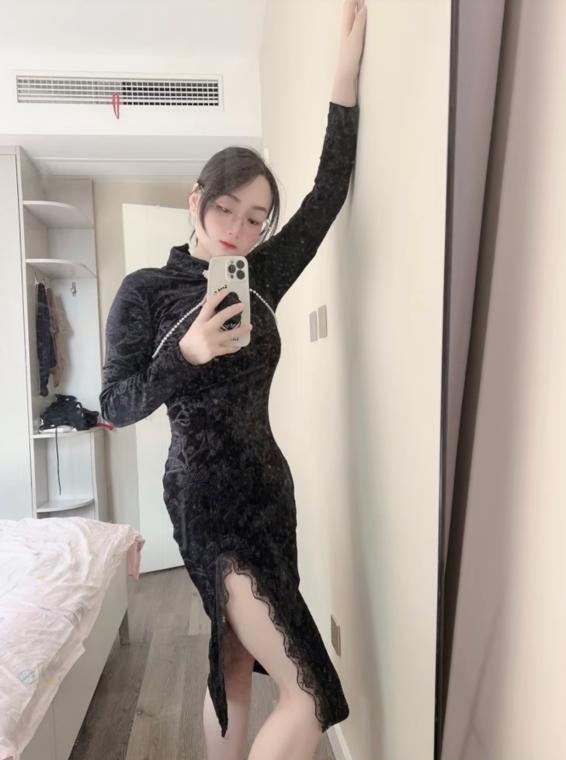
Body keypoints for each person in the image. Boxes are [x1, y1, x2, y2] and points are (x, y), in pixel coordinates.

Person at [99, 2, 367, 758]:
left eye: (256, 219)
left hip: (268, 488)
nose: (240, 231)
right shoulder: (147, 292)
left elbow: (327, 194)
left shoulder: (262, 278)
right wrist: (184, 355)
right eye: (227, 209)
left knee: (235, 657)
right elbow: (115, 403)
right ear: (196, 200)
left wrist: (343, 75)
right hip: (204, 497)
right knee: (314, 693)